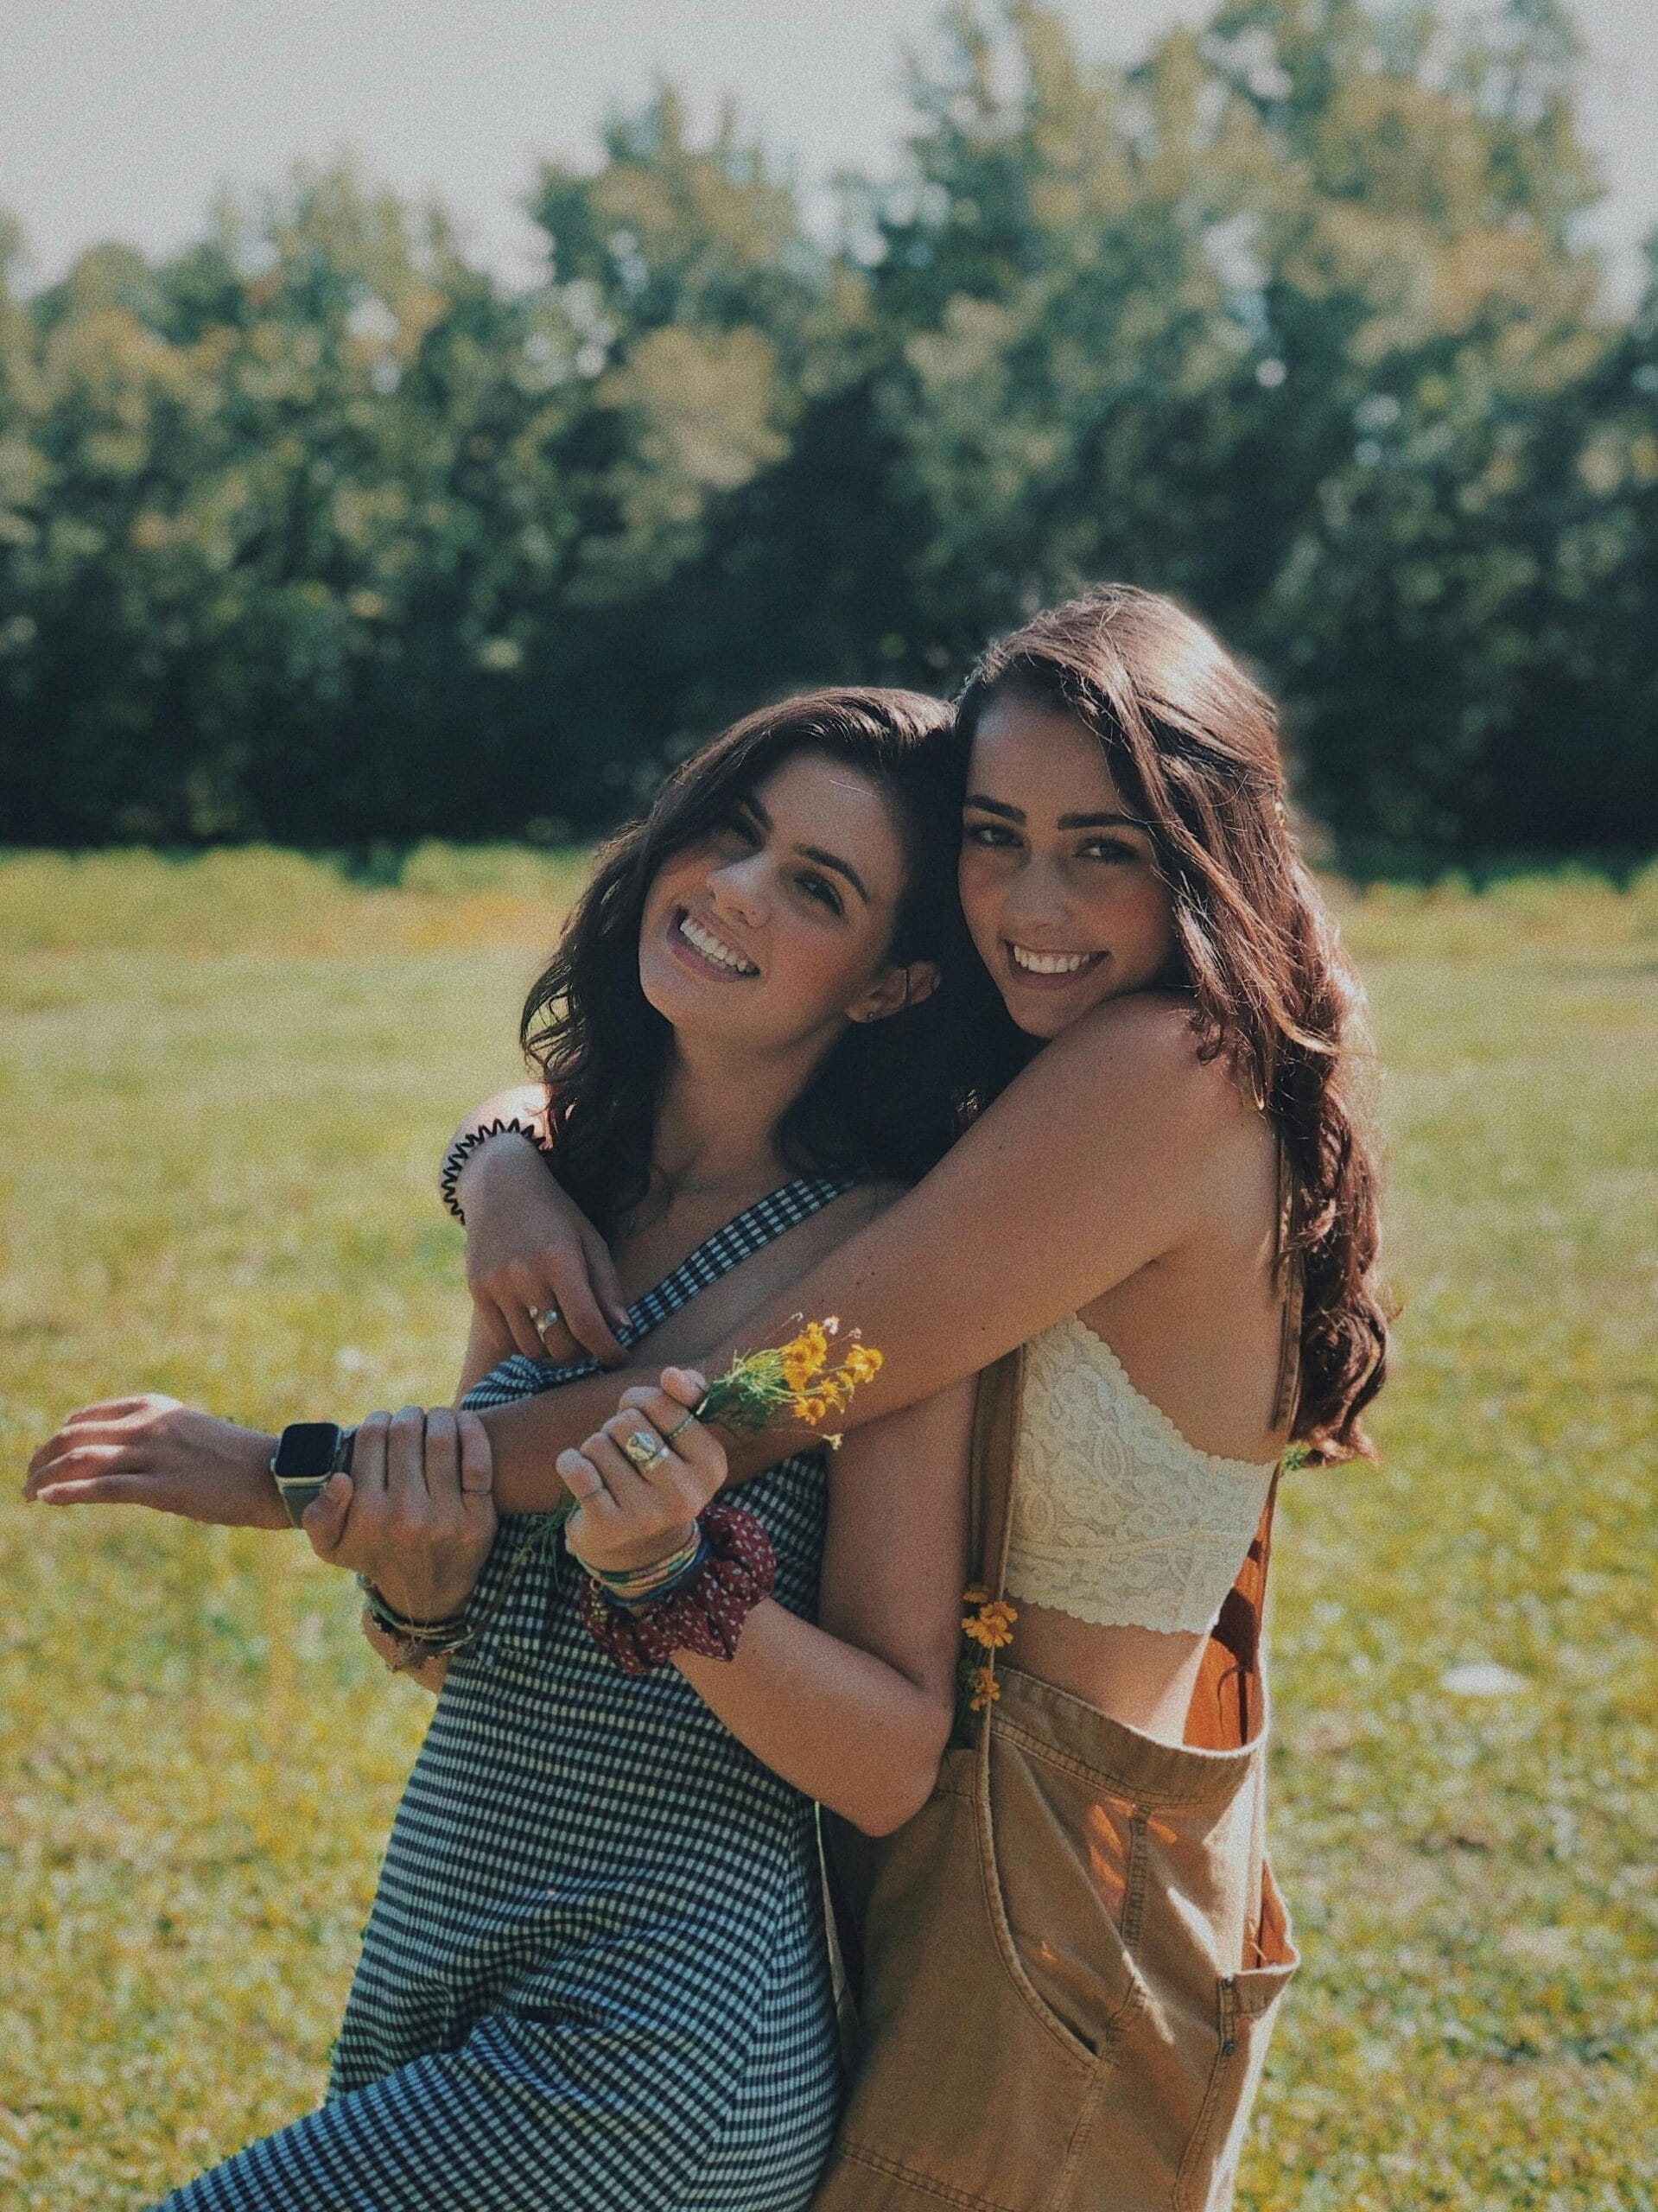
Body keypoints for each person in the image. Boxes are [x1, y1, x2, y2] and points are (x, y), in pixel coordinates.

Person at [394, 585, 1390, 2208]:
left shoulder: (1166, 1072)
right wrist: (504, 1153)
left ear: (1209, 850)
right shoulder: (1054, 1056)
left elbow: (763, 1395)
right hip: (910, 1833)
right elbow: (682, 1079)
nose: (1030, 901)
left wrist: (293, 1469)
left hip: (1044, 1884)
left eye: (1104, 846)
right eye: (995, 836)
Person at [27, 687, 988, 2212]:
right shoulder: (560, 1193)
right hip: (444, 1954)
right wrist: (411, 1582)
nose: (736, 887)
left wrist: (669, 1574)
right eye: (732, 833)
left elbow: (885, 1763)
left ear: (890, 985)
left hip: (659, 2042)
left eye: (816, 887)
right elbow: (454, 1641)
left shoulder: (876, 1269)